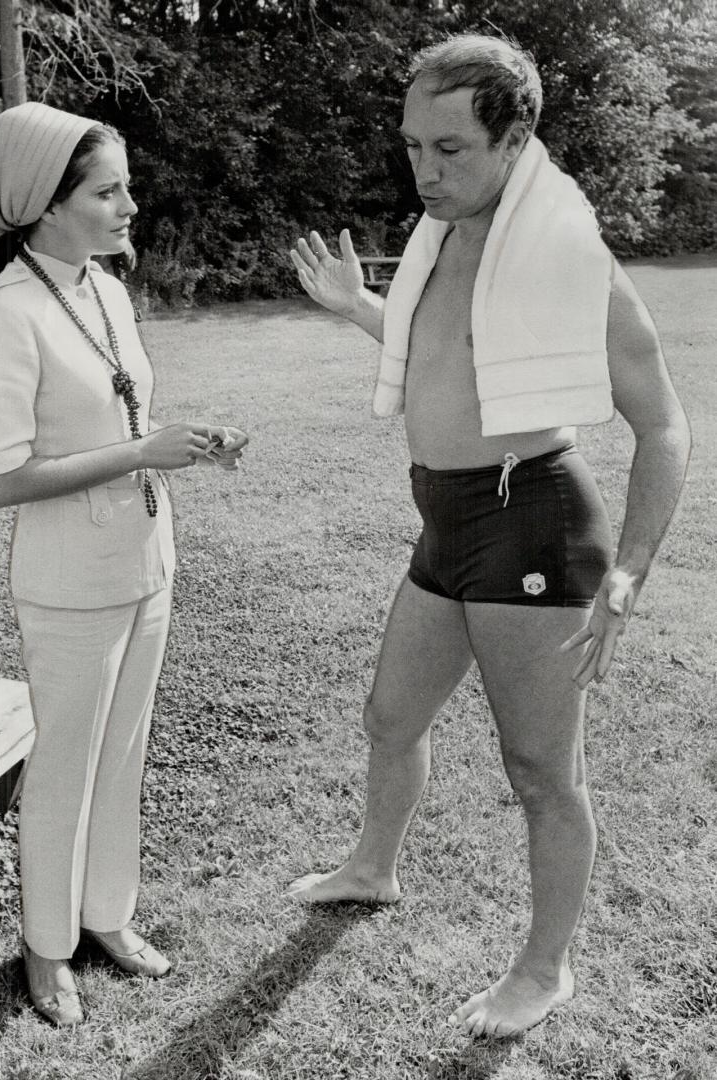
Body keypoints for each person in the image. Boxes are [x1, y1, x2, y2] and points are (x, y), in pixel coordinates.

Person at [288, 33, 690, 1038]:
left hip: (533, 527)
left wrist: (630, 574)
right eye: (413, 147)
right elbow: (446, 359)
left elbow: (664, 425)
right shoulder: (446, 240)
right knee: (389, 717)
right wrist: (355, 310)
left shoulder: (566, 262)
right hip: (447, 520)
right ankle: (373, 868)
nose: (424, 170)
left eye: (450, 149)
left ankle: (543, 968)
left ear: (516, 140)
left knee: (539, 770)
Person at [0, 102, 247, 1026]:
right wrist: (142, 453)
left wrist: (186, 442)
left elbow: (121, 417)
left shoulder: (105, 289)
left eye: (126, 188)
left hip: (146, 563)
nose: (129, 207)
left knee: (124, 756)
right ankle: (45, 949)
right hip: (68, 584)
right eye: (107, 191)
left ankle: (106, 917)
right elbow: (1, 480)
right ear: (46, 203)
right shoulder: (6, 313)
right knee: (68, 766)